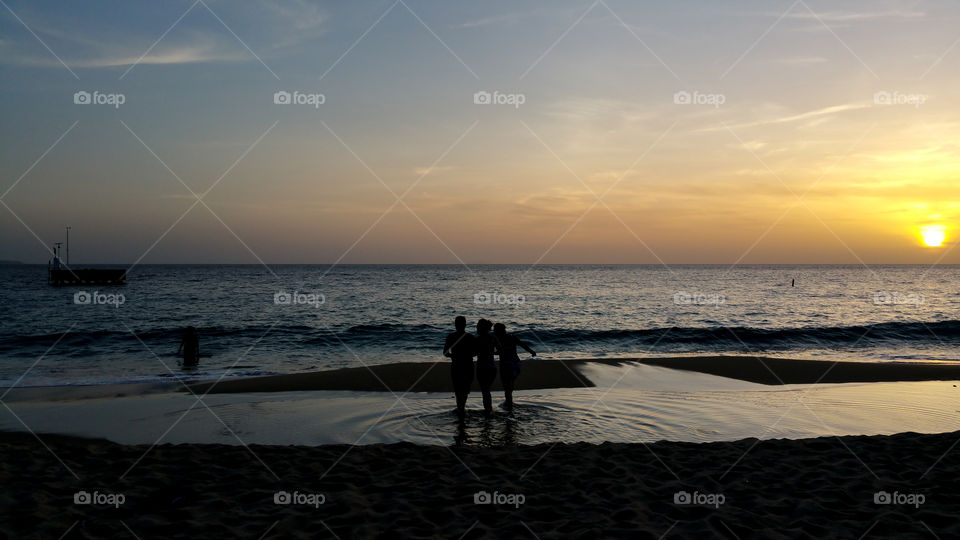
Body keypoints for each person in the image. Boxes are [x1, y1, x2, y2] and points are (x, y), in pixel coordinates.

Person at [493, 323, 535, 410]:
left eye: (494, 330)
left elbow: (501, 352)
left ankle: (509, 405)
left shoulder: (497, 339)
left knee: (506, 386)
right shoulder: (512, 337)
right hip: (516, 364)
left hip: (506, 365)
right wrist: (531, 351)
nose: (493, 331)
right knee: (510, 384)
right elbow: (523, 345)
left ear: (497, 331)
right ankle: (509, 402)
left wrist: (490, 353)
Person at [443, 316, 475, 419]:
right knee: (465, 388)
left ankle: (460, 409)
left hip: (456, 365)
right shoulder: (470, 337)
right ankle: (462, 408)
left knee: (457, 389)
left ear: (455, 325)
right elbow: (476, 352)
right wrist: (467, 355)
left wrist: (454, 356)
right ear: (465, 325)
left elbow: (445, 353)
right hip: (468, 365)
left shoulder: (451, 336)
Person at [474, 318, 497, 416]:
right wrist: (491, 353)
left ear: (480, 328)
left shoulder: (477, 339)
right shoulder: (493, 338)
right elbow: (500, 350)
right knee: (487, 390)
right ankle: (489, 409)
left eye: (477, 327)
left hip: (481, 368)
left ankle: (488, 410)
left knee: (485, 391)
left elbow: (473, 353)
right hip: (492, 367)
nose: (476, 328)